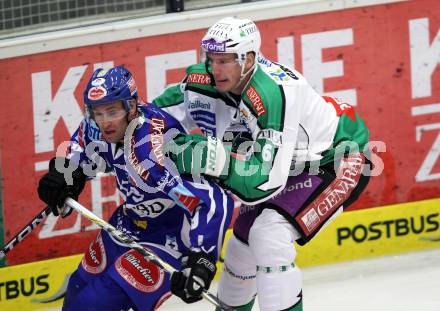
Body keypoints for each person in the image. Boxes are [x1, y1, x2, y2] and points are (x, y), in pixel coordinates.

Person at [153, 17, 371, 311]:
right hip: (288, 163)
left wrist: (216, 162)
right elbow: (144, 122)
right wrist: (75, 163)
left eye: (225, 61)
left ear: (250, 58)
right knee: (240, 250)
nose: (216, 69)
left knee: (269, 235)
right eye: (212, 59)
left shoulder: (273, 94)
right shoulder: (200, 82)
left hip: (337, 157)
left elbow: (264, 183)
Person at [37, 66, 235, 310]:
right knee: (77, 292)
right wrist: (65, 175)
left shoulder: (152, 151)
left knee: (92, 305)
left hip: (168, 238)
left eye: (112, 111)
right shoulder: (96, 127)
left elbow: (212, 200)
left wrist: (203, 257)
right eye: (98, 113)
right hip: (128, 223)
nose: (105, 122)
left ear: (131, 107)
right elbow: (80, 149)